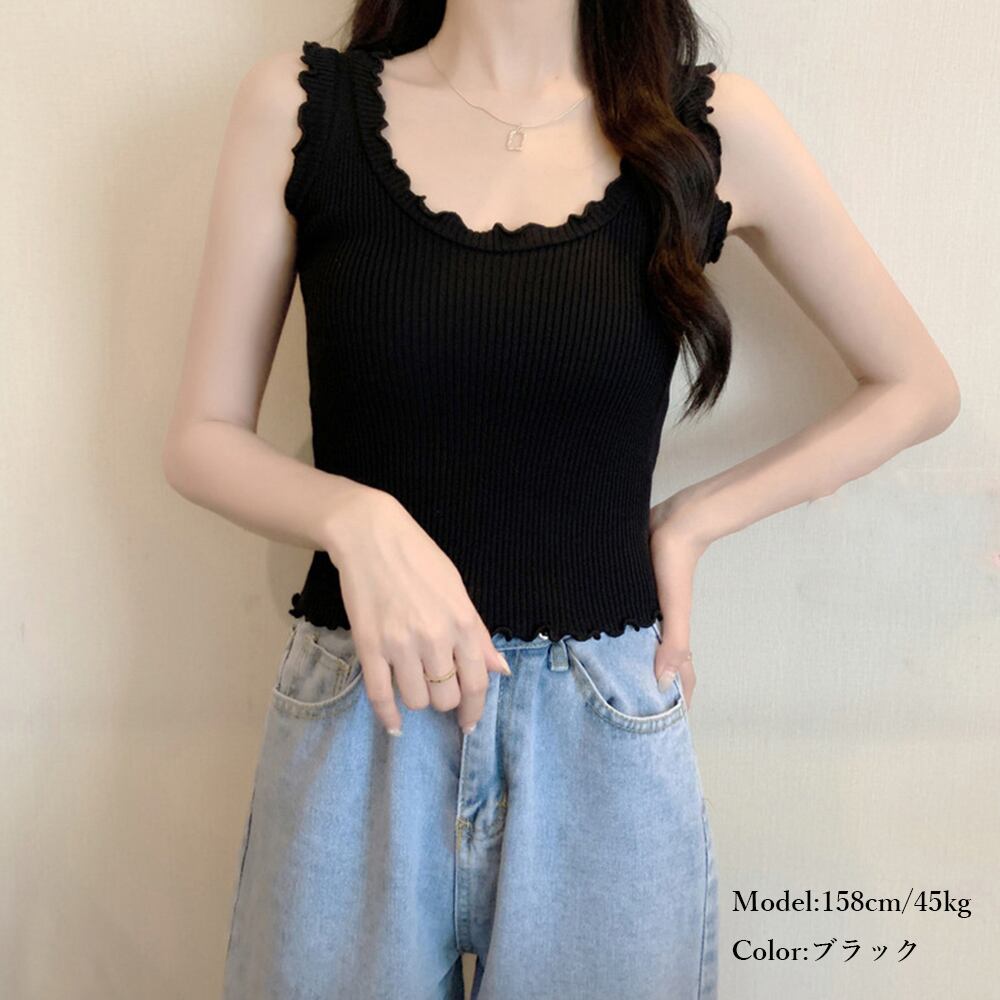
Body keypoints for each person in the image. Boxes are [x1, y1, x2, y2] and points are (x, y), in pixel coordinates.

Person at [162, 2, 960, 997]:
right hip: (362, 715)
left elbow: (916, 386)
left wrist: (694, 521)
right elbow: (201, 437)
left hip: (600, 731)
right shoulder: (301, 110)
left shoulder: (704, 129)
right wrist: (355, 519)